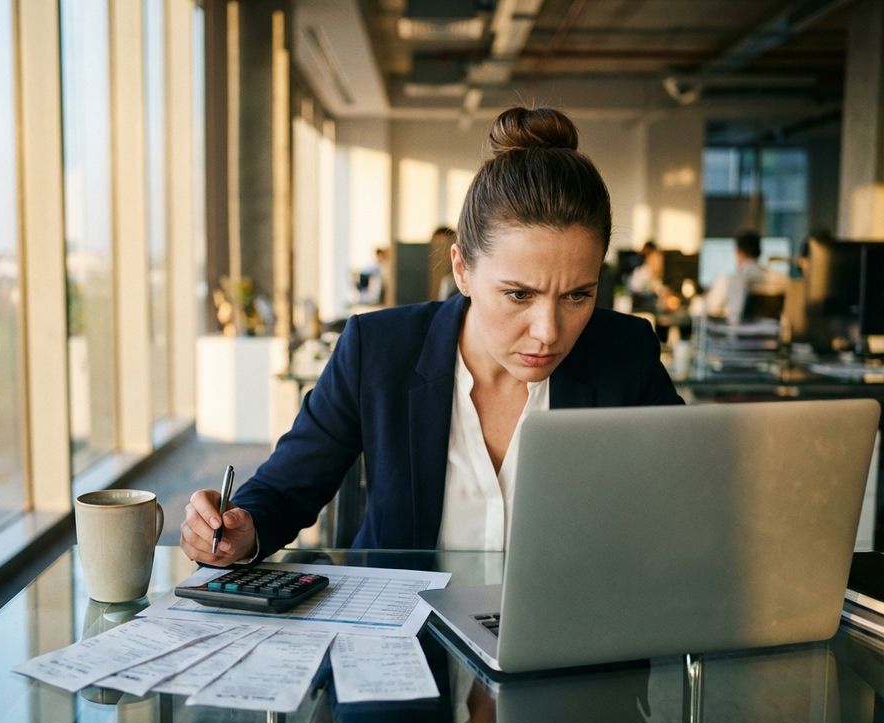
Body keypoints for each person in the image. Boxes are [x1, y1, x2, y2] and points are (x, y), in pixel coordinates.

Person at [180, 105, 684, 568]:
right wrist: (239, 530)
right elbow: (284, 490)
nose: (548, 332)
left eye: (578, 295)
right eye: (517, 295)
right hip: (404, 645)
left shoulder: (624, 354)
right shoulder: (377, 351)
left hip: (564, 651)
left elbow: (691, 500)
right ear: (462, 269)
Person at [702, 230, 784, 323]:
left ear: (738, 253)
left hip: (739, 335)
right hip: (770, 335)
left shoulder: (728, 280)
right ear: (760, 252)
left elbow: (709, 309)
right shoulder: (780, 279)